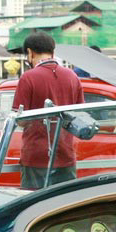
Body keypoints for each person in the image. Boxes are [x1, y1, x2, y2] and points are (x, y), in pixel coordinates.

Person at [12, 31, 84, 189]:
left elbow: (21, 120)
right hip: (66, 154)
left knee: (34, 207)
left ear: (30, 53)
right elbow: (80, 115)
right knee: (65, 207)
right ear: (53, 52)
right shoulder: (72, 76)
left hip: (36, 156)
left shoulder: (28, 77)